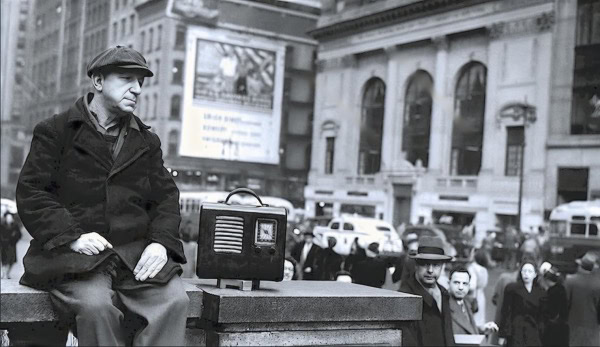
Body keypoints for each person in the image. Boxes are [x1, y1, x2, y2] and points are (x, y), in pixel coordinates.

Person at [15, 46, 189, 346]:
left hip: (133, 260)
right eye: (126, 79)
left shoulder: (147, 141)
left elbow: (166, 199)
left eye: (140, 82)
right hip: (73, 259)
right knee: (96, 308)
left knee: (175, 301)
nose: (136, 89)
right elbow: (32, 192)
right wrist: (72, 236)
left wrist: (161, 243)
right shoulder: (56, 131)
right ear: (98, 81)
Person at [399, 236, 455, 346]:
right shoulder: (405, 296)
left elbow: (448, 334)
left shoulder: (444, 294)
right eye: (425, 264)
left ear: (442, 266)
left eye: (436, 265)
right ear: (416, 265)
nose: (430, 270)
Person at [498, 259, 546, 347]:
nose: (526, 274)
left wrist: (541, 331)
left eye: (530, 271)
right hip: (516, 330)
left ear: (535, 274)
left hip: (533, 330)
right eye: (524, 271)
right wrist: (503, 335)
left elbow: (542, 315)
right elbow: (506, 312)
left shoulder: (540, 292)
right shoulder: (512, 289)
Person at [447, 266, 498, 336]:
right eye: (456, 283)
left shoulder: (466, 303)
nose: (461, 287)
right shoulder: (443, 304)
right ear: (448, 283)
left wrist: (481, 329)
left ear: (469, 286)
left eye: (464, 284)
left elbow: (467, 329)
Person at [564, 251, 600, 347]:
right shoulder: (598, 284)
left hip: (573, 325)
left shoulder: (570, 280)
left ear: (580, 266)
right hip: (594, 328)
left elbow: (565, 303)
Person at [540, 265, 569, 347]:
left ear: (546, 280)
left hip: (551, 330)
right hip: (562, 330)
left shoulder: (550, 293)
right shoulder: (562, 289)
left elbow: (549, 312)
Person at [0, 212, 22, 279]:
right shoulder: (2, 225)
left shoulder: (15, 225)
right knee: (4, 260)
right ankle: (3, 273)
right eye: (8, 218)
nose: (9, 219)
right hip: (4, 245)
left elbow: (19, 234)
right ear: (6, 218)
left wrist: (14, 239)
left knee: (12, 260)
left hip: (12, 244)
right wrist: (2, 240)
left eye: (10, 218)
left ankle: (7, 273)